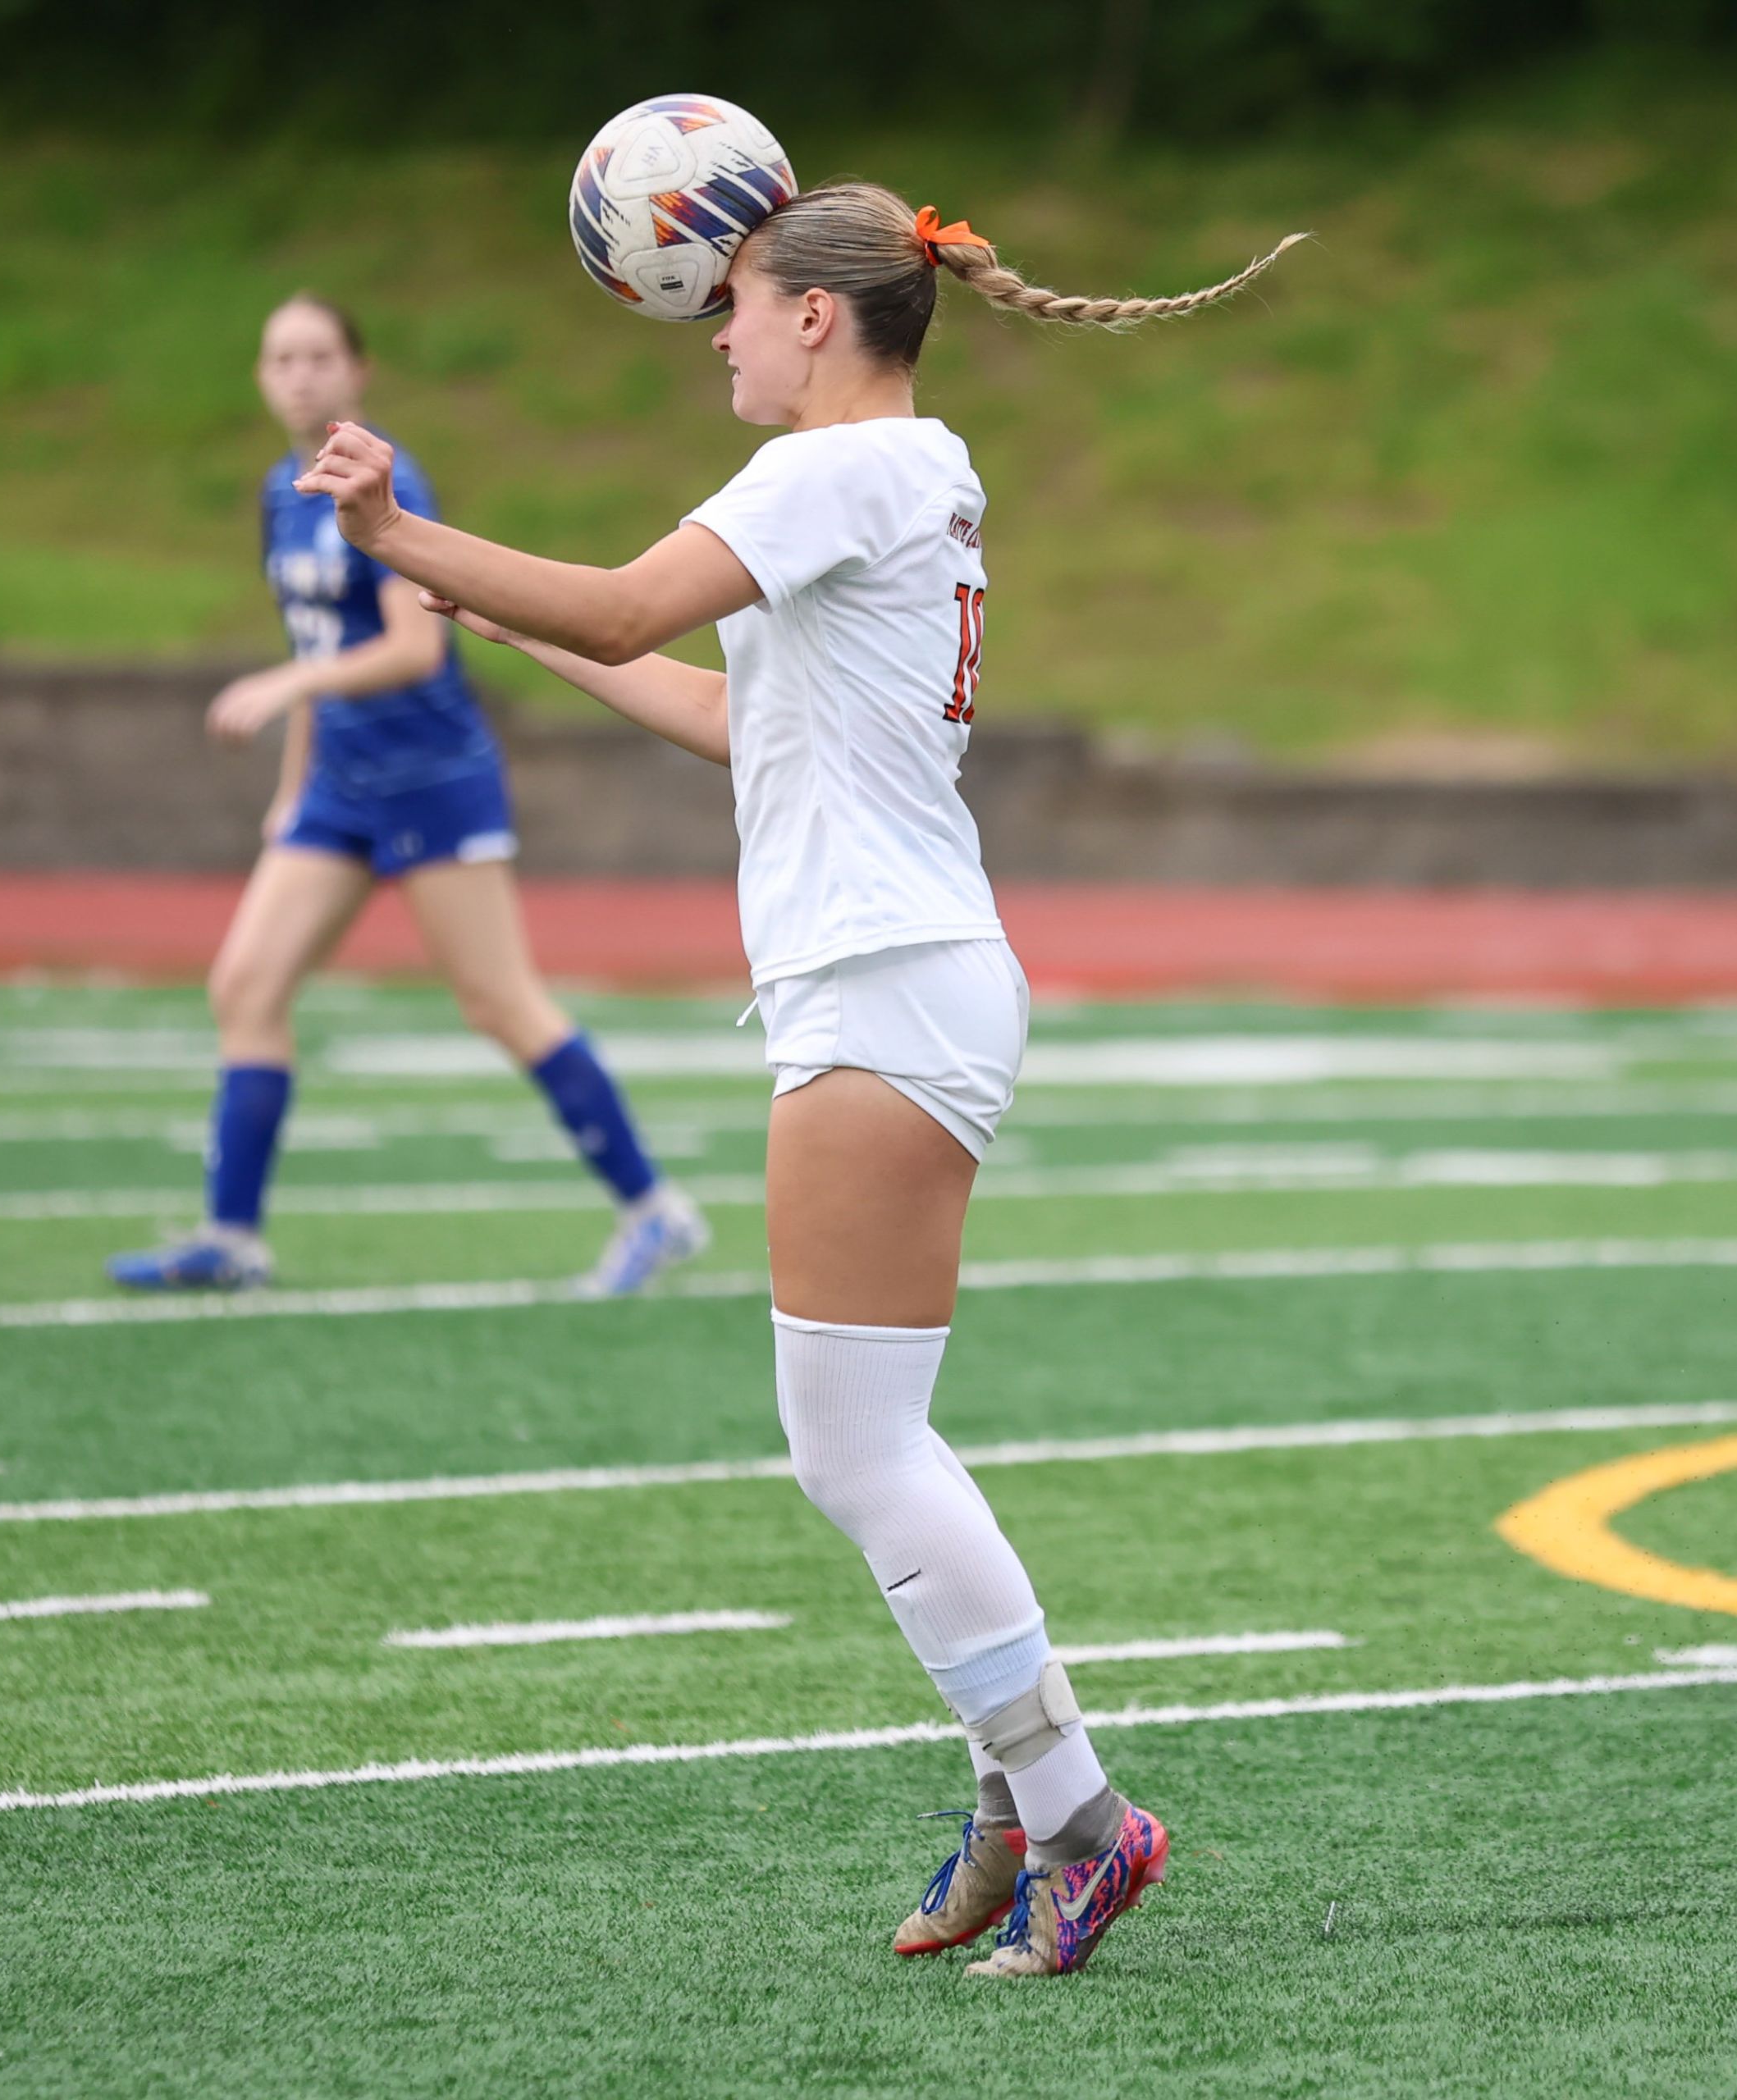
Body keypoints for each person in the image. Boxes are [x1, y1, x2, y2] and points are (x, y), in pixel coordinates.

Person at [295, 195, 1300, 1977]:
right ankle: (1018, 1795)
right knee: (871, 1439)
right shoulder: (908, 469)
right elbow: (721, 712)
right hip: (906, 974)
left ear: (820, 317)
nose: (718, 331)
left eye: (740, 302)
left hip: (881, 986)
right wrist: (509, 619)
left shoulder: (831, 472)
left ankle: (1076, 1818)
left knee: (855, 1448)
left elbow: (625, 603)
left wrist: (395, 529)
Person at [107, 294, 706, 1297]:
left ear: (358, 372)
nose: (299, 374)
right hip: (337, 788)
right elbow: (316, 644)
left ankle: (656, 1212)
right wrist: (292, 786)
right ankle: (232, 1237)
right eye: (281, 358)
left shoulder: (391, 481)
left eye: (318, 356)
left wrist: (286, 686)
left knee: (498, 1003)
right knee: (244, 987)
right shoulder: (279, 492)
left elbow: (413, 647)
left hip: (432, 782)